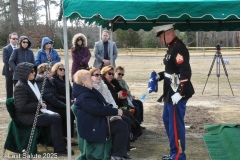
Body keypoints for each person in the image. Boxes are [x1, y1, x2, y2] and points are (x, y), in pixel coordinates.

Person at [153, 24, 195, 160]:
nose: (160, 39)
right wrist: (159, 76)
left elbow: (185, 72)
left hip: (177, 93)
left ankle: (178, 155)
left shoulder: (178, 48)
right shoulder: (171, 47)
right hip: (170, 91)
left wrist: (180, 92)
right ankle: (174, 152)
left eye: (161, 36)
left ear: (168, 33)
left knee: (175, 125)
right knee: (167, 120)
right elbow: (171, 70)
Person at [13, 62, 73, 155]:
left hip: (33, 112)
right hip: (26, 116)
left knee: (56, 116)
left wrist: (42, 103)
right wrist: (39, 105)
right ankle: (59, 149)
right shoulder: (21, 86)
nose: (34, 73)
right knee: (55, 118)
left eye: (34, 71)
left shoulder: (30, 83)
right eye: (31, 71)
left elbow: (39, 99)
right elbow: (22, 107)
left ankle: (56, 142)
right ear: (24, 73)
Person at [72, 70, 129, 160]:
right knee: (121, 126)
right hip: (92, 124)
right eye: (89, 78)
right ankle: (116, 155)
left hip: (96, 120)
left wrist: (113, 110)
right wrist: (115, 111)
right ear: (83, 81)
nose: (92, 80)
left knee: (124, 120)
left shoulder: (88, 91)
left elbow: (101, 106)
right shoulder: (84, 95)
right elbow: (97, 109)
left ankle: (121, 152)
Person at [35, 63, 75, 140]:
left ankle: (66, 136)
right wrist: (65, 105)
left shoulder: (48, 81)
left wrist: (69, 100)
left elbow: (69, 92)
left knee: (69, 112)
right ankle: (66, 137)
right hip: (47, 107)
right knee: (68, 113)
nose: (50, 74)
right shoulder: (45, 82)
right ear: (42, 73)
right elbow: (52, 99)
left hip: (51, 105)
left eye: (50, 71)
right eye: (48, 72)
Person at [50, 62, 75, 138]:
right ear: (55, 70)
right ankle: (65, 136)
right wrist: (67, 99)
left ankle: (70, 136)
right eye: (60, 69)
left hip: (69, 101)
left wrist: (72, 99)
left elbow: (71, 91)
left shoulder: (66, 80)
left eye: (64, 69)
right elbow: (55, 94)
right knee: (69, 114)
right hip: (59, 103)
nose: (63, 71)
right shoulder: (53, 80)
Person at [2, 32, 18, 98]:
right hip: (9, 72)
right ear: (9, 39)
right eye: (13, 39)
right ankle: (9, 105)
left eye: (16, 39)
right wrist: (14, 67)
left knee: (18, 90)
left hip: (18, 72)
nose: (15, 40)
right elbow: (5, 60)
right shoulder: (6, 49)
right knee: (9, 90)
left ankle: (18, 105)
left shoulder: (20, 48)